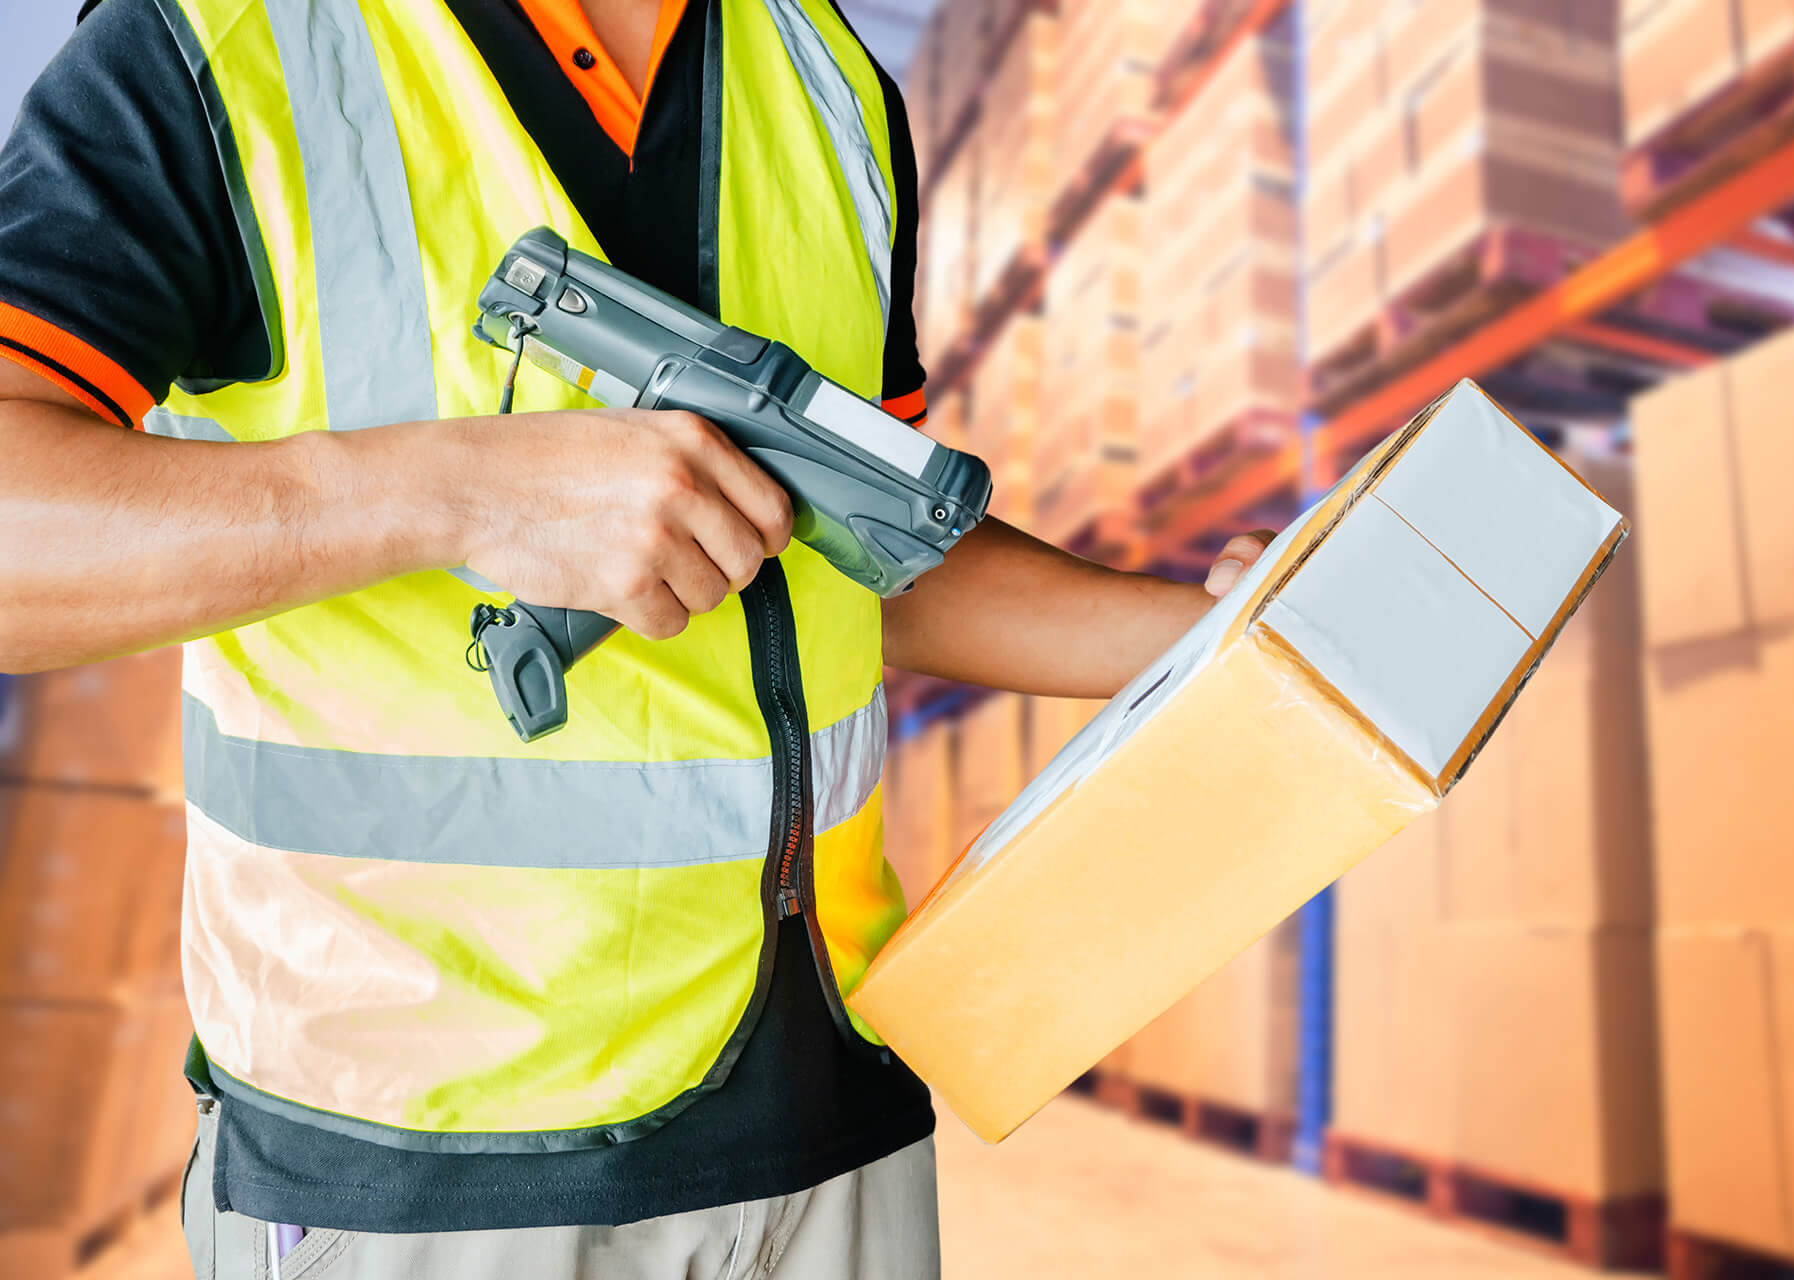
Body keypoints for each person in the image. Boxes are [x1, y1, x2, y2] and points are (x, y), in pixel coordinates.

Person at [0, 2, 1271, 1276]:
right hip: (430, 1166)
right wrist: (459, 491)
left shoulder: (831, 83)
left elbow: (852, 557)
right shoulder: (222, 48)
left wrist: (1223, 639)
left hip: (827, 1122)